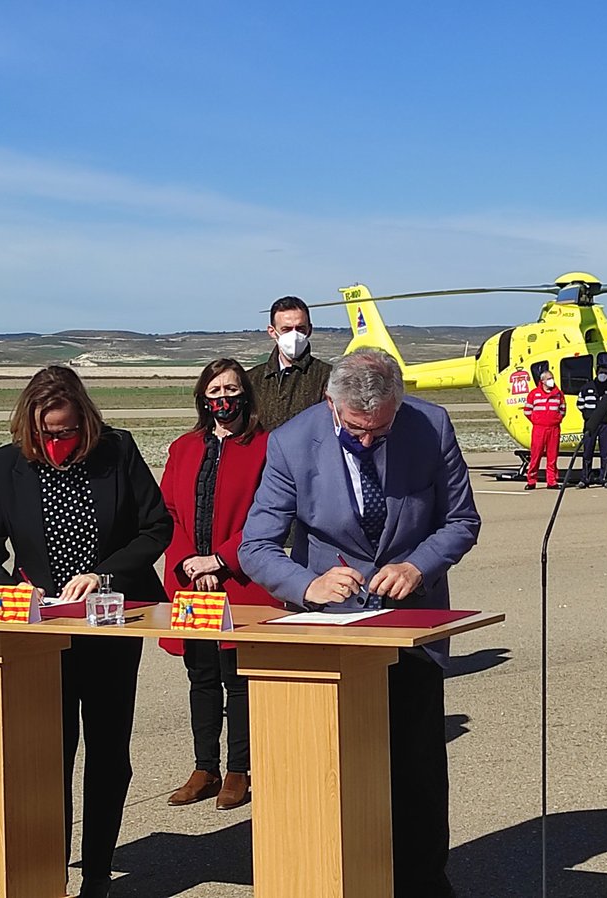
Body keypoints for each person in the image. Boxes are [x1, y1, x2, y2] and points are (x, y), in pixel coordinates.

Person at [238, 347, 481, 898]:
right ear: (331, 405)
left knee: (416, 770)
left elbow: (462, 520)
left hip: (412, 628)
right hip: (333, 634)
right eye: (355, 429)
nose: (368, 440)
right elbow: (257, 546)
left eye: (381, 429)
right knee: (338, 773)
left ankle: (422, 881)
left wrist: (418, 566)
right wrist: (307, 585)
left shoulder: (431, 426)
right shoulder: (292, 442)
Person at [0, 366, 172, 898]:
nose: (54, 443)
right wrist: (6, 591)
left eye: (64, 432)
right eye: (44, 434)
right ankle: (49, 870)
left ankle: (97, 873)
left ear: (85, 421)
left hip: (109, 628)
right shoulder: (8, 464)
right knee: (49, 754)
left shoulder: (117, 453)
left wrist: (104, 573)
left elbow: (156, 527)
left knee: (107, 753)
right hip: (43, 637)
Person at [159, 359, 278, 811]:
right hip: (193, 584)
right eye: (214, 390)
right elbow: (166, 512)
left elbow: (267, 514)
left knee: (238, 679)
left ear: (245, 393)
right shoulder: (184, 447)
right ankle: (203, 765)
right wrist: (191, 561)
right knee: (201, 674)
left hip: (240, 581)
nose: (222, 398)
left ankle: (239, 768)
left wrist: (221, 560)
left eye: (230, 388)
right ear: (202, 397)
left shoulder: (265, 446)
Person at [245, 295, 334, 431]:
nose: (294, 336)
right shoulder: (252, 379)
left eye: (300, 329)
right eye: (286, 329)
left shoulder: (328, 377)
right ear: (272, 331)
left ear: (309, 330)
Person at [576, 363, 607, 488]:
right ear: (596, 373)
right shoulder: (586, 387)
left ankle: (604, 478)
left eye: (605, 373)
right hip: (591, 424)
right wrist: (590, 415)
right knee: (587, 451)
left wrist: (606, 414)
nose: (603, 375)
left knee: (605, 452)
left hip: (605, 424)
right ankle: (585, 478)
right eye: (601, 372)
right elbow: (580, 404)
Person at [523, 368, 565, 490]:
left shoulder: (558, 394)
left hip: (554, 428)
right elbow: (527, 411)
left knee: (552, 456)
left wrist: (556, 419)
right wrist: (537, 420)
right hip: (539, 429)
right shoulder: (534, 394)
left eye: (552, 378)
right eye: (549, 379)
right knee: (535, 455)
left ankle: (551, 481)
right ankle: (531, 480)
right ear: (542, 381)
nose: (551, 381)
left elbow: (563, 409)